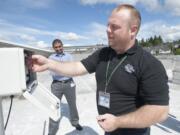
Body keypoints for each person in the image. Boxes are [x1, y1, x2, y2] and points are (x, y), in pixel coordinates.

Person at [32, 4, 169, 135]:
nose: (107, 30)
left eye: (114, 27)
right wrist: (49, 64)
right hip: (109, 129)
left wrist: (118, 122)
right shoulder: (103, 54)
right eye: (107, 25)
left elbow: (160, 111)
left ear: (132, 30)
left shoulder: (149, 63)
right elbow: (77, 67)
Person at [48, 39, 83, 135]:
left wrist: (59, 68)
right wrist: (64, 68)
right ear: (53, 48)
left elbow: (72, 69)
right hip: (56, 85)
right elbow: (52, 72)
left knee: (72, 105)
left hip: (69, 84)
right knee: (54, 107)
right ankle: (51, 131)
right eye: (56, 47)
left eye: (60, 46)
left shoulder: (69, 56)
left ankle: (75, 122)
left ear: (62, 46)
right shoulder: (50, 57)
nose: (58, 48)